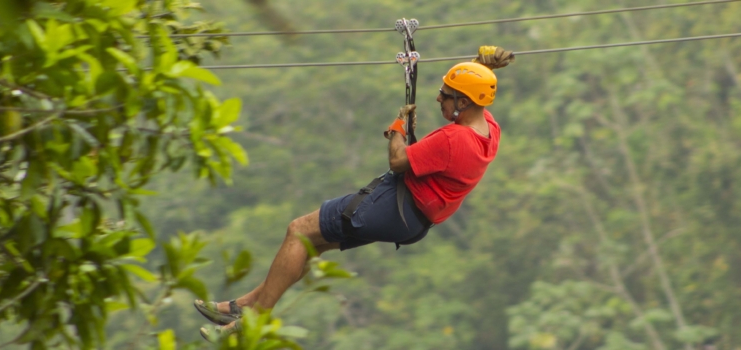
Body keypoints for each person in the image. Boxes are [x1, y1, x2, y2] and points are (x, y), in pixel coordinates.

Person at [193, 46, 515, 338]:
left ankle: (250, 322)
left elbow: (397, 160)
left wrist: (398, 126)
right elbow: (475, 96)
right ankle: (246, 305)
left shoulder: (453, 140)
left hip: (394, 206)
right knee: (312, 243)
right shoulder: (489, 131)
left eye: (445, 95)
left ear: (463, 102)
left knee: (298, 231)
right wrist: (479, 67)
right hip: (410, 220)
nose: (438, 99)